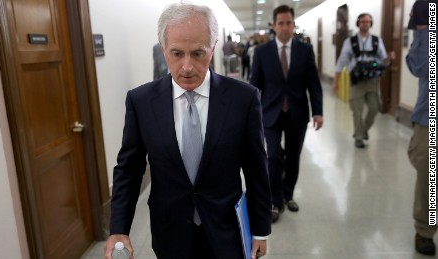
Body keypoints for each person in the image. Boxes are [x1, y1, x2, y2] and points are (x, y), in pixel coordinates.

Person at [104, 3, 272, 259]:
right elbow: (129, 168)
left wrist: (260, 231)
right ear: (163, 50)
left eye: (197, 53)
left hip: (226, 229)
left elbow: (256, 167)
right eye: (176, 53)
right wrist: (119, 228)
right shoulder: (141, 102)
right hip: (170, 231)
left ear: (213, 48)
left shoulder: (243, 98)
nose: (187, 67)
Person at [250, 5, 323, 222]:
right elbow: (255, 85)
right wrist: (250, 114)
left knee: (293, 157)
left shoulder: (305, 50)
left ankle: (288, 194)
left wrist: (318, 112)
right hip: (270, 113)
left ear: (293, 24)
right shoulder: (262, 52)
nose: (284, 27)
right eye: (280, 23)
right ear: (273, 26)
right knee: (272, 157)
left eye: (288, 23)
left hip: (297, 113)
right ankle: (275, 199)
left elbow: (313, 84)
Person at [332, 13, 395, 148]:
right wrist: (335, 81)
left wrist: (389, 58)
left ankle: (363, 130)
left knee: (374, 108)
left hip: (372, 80)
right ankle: (359, 137)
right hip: (356, 81)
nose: (365, 24)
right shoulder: (350, 42)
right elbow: (341, 61)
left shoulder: (377, 41)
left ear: (370, 24)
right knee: (357, 110)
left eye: (367, 21)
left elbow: (384, 61)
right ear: (358, 23)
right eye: (362, 21)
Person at [405, 0, 436, 255]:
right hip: (430, 116)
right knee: (429, 175)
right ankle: (425, 229)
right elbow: (419, 67)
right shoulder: (428, 8)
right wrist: (425, 29)